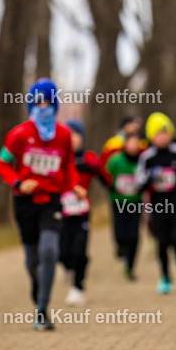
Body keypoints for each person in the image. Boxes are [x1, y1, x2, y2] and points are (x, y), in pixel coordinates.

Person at [0, 79, 85, 330]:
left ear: (55, 104)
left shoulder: (64, 134)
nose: (43, 107)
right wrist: (18, 182)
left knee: (49, 251)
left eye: (47, 102)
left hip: (52, 201)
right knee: (31, 260)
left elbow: (68, 165)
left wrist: (75, 185)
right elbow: (3, 163)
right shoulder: (19, 134)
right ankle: (38, 292)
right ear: (31, 104)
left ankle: (43, 310)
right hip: (24, 202)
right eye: (38, 102)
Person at [136, 113, 176, 294]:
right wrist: (147, 179)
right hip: (156, 205)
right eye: (158, 133)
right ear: (151, 136)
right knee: (162, 242)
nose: (162, 137)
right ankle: (165, 277)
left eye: (165, 132)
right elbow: (139, 181)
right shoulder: (147, 157)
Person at [59, 119, 102, 306]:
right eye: (69, 135)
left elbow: (102, 172)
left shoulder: (88, 158)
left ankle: (78, 287)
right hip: (62, 213)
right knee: (62, 252)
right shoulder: (58, 159)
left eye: (76, 135)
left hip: (83, 213)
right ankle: (67, 267)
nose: (73, 139)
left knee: (80, 250)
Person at [106, 131, 144, 281]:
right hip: (118, 202)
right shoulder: (116, 161)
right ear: (125, 144)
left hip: (135, 202)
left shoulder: (142, 161)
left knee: (134, 236)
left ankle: (130, 267)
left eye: (136, 143)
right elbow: (106, 176)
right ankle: (121, 248)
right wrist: (111, 187)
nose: (134, 146)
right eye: (131, 143)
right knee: (120, 234)